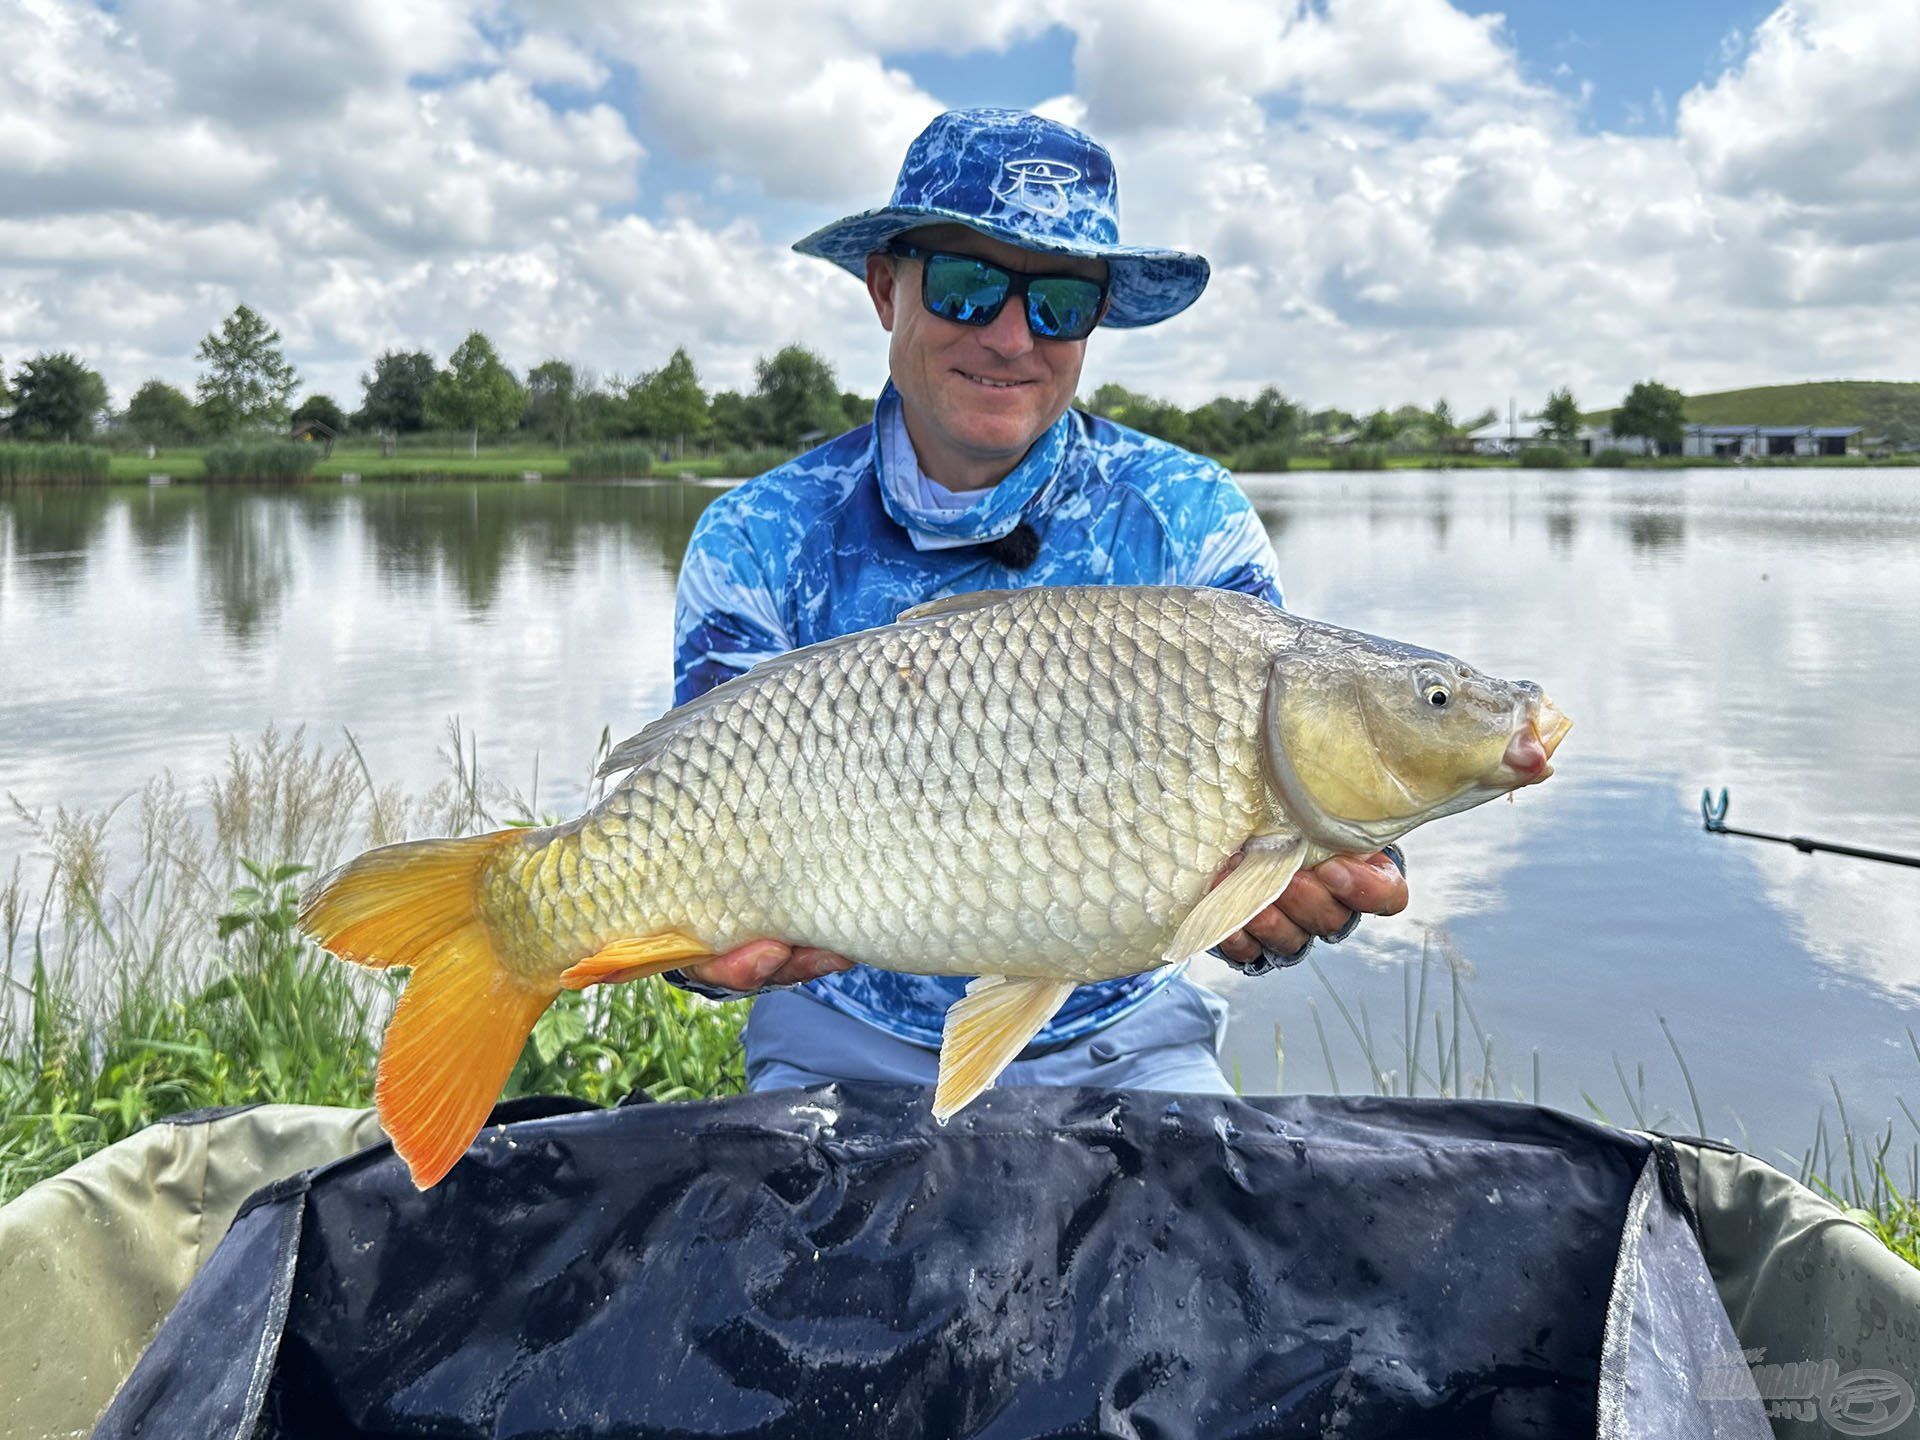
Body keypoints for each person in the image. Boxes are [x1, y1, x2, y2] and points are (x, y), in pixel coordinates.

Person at [666, 108, 1407, 1095]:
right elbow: (687, 834)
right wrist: (684, 956)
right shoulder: (761, 536)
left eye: (1060, 301)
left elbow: (1293, 799)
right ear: (888, 287)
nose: (1013, 338)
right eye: (970, 287)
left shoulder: (1190, 519)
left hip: (1125, 1038)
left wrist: (1282, 914)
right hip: (836, 1037)